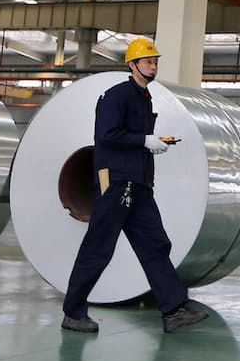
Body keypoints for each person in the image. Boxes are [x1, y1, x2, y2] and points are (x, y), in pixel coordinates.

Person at [61, 38, 210, 334]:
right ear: (132, 65)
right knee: (99, 248)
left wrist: (152, 145)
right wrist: (143, 140)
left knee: (155, 244)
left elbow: (129, 137)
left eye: (155, 61)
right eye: (148, 61)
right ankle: (73, 312)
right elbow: (107, 135)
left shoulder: (145, 97)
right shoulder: (116, 96)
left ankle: (173, 310)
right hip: (116, 183)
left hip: (139, 184)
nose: (153, 65)